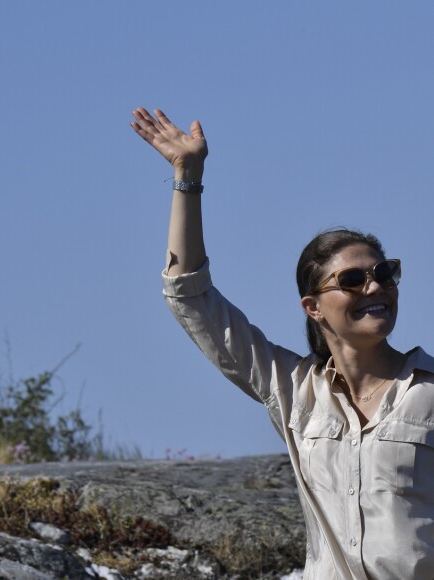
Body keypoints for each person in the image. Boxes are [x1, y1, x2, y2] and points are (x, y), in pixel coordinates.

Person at [130, 107, 434, 580]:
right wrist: (187, 178)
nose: (374, 288)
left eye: (384, 274)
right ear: (313, 306)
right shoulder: (293, 390)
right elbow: (191, 297)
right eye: (352, 280)